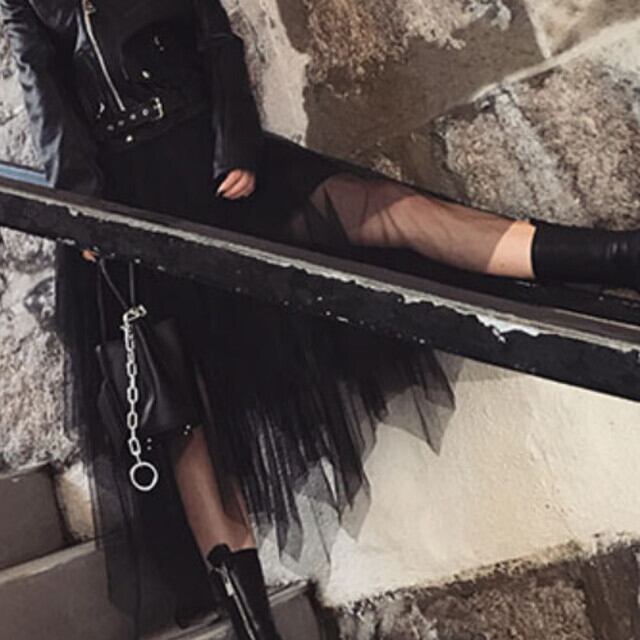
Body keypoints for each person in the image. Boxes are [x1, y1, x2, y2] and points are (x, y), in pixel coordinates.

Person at [2, 1, 639, 639]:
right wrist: (82, 209)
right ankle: (254, 628)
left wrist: (235, 139)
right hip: (124, 206)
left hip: (211, 158)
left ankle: (615, 257)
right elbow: (42, 90)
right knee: (185, 421)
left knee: (392, 211)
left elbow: (215, 37)